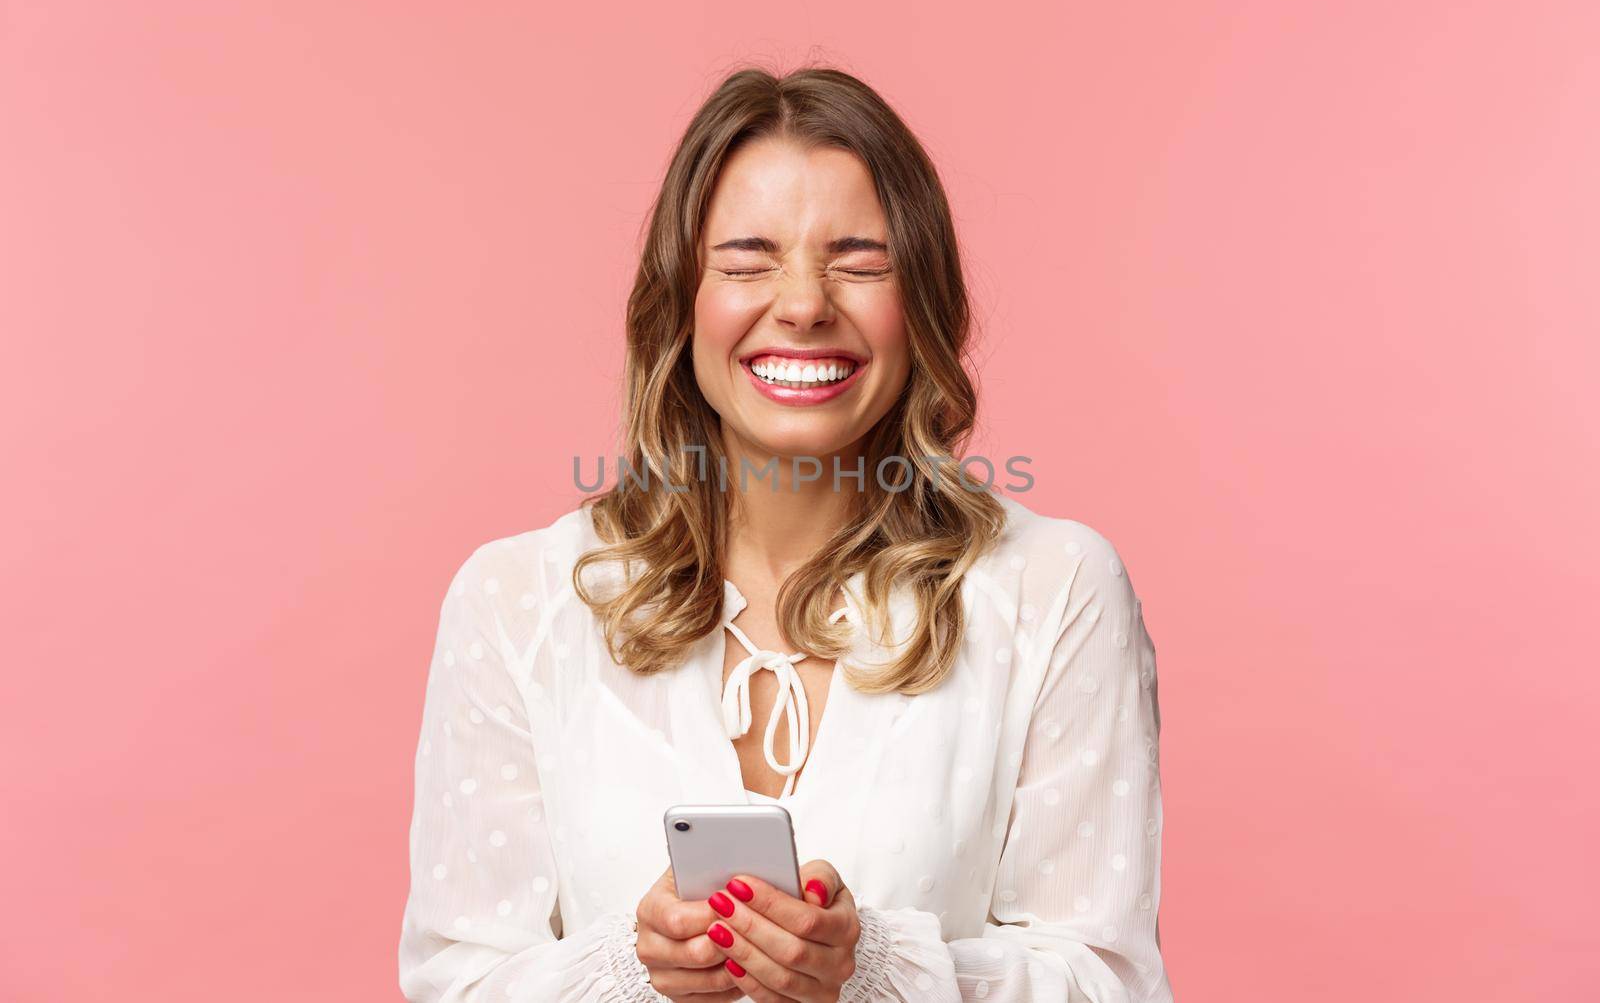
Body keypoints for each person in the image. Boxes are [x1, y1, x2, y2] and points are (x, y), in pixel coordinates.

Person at [398, 66, 1175, 1002]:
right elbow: (458, 982)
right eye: (746, 260)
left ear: (920, 300)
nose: (804, 303)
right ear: (681, 302)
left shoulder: (1054, 588)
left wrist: (874, 966)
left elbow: (1110, 984)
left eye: (858, 259)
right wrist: (630, 971)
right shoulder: (518, 600)